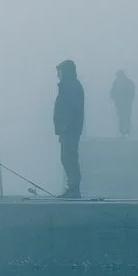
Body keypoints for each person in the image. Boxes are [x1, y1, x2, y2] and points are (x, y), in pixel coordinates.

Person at [53, 59, 85, 198]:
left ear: (65, 71)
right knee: (68, 157)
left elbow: (71, 109)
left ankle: (73, 189)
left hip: (69, 129)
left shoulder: (70, 86)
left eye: (58, 71)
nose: (57, 75)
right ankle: (72, 188)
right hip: (67, 129)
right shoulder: (70, 85)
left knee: (69, 158)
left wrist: (65, 126)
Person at [110, 69, 136, 137]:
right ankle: (124, 132)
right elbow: (112, 93)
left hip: (124, 103)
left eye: (118, 75)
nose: (117, 76)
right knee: (123, 117)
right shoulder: (128, 82)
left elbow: (112, 93)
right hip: (123, 103)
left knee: (125, 117)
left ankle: (125, 132)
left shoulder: (119, 82)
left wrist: (114, 97)